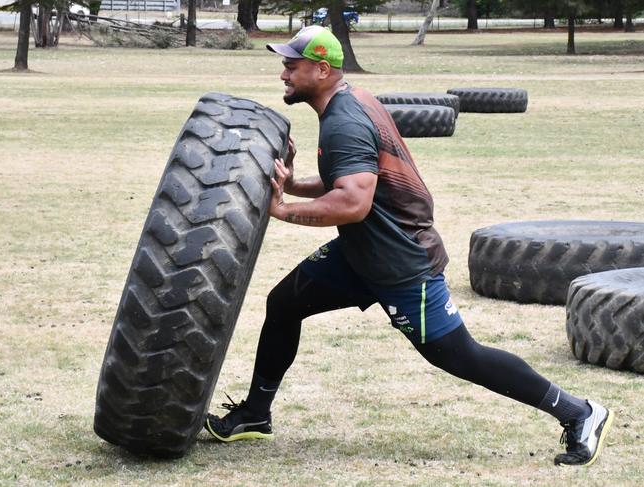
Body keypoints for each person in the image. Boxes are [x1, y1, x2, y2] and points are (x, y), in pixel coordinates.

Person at [205, 25, 613, 467]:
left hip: (401, 262)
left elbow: (354, 202)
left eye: (291, 65)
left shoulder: (344, 121)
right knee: (285, 303)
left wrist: (281, 210)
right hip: (361, 254)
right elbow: (351, 177)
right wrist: (295, 185)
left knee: (459, 355)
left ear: (322, 70)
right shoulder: (350, 101)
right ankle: (256, 414)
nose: (283, 74)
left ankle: (579, 412)